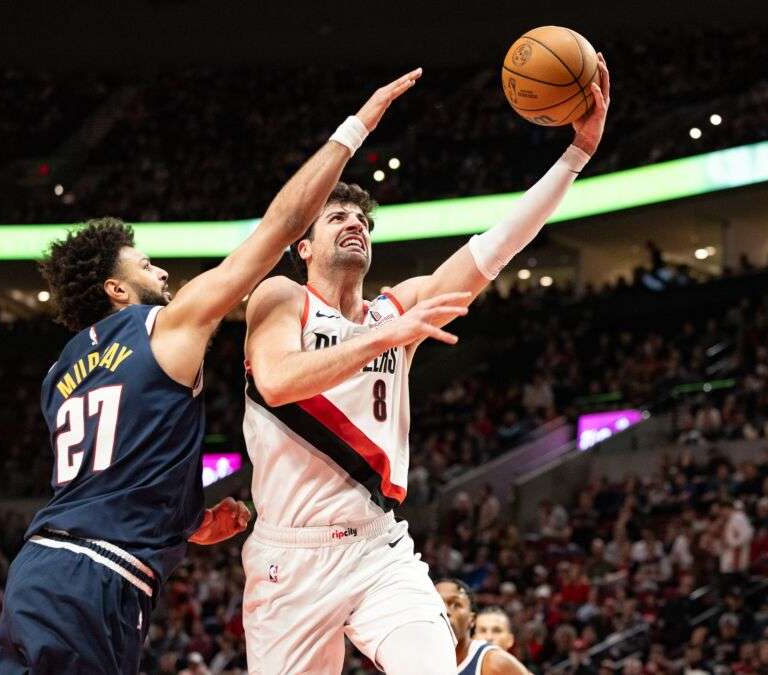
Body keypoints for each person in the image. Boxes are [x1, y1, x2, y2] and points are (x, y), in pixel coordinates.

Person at [0, 68, 424, 675]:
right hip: (97, 577)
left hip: (38, 570)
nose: (162, 273)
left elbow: (113, 465)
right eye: (145, 265)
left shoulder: (59, 372)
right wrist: (355, 128)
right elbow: (280, 228)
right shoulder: (162, 326)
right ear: (116, 288)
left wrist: (187, 519)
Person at [239, 56, 610, 674]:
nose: (355, 225)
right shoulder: (281, 298)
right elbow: (277, 381)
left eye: (363, 220)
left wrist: (577, 155)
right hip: (290, 557)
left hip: (377, 546)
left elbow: (493, 249)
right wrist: (388, 338)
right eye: (337, 217)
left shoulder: (397, 307)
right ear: (303, 246)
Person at [436, 580, 530, 675]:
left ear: (472, 619)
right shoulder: (427, 659)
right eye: (437, 604)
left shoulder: (493, 662)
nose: (445, 611)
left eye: (456, 604)